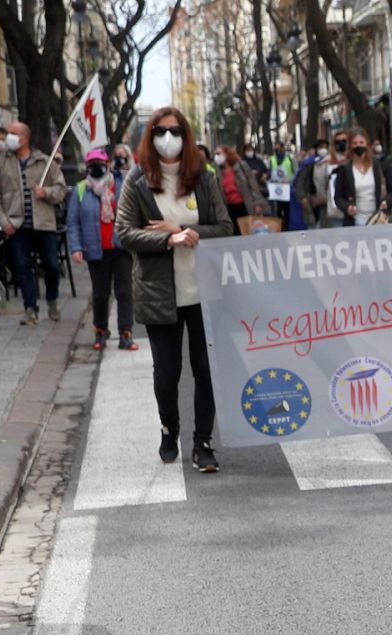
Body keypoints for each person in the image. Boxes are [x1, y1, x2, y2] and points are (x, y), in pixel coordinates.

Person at [114, 106, 233, 473]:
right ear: (150, 137)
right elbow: (125, 233)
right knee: (167, 373)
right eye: (162, 131)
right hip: (158, 292)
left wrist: (189, 231)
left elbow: (226, 227)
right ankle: (170, 429)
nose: (169, 138)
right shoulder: (137, 180)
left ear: (187, 135)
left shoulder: (203, 177)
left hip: (203, 292)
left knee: (205, 370)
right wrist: (168, 237)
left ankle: (203, 442)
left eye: (176, 130)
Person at [0, 120, 67, 325]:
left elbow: (61, 190)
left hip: (44, 223)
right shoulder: (1, 164)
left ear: (25, 137)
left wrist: (46, 192)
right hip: (17, 225)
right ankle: (30, 307)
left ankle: (52, 300)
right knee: (22, 267)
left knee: (51, 264)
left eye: (13, 133)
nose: (8, 137)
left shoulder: (43, 162)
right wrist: (4, 221)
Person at [66, 147, 137, 351]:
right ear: (87, 167)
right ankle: (100, 330)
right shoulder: (81, 189)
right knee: (100, 293)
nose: (96, 167)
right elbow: (73, 222)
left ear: (107, 164)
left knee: (124, 291)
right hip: (95, 249)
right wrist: (76, 248)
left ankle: (126, 332)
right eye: (92, 164)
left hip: (121, 246)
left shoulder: (121, 184)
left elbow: (132, 210)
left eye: (100, 163)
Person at [333, 128, 388, 226]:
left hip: (377, 220)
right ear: (350, 146)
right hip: (355, 222)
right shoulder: (344, 169)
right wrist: (347, 208)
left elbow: (391, 189)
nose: (358, 145)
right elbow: (338, 197)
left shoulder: (377, 165)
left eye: (361, 142)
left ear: (367, 144)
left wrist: (386, 202)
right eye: (355, 143)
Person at [217, 145, 268, 234]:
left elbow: (253, 185)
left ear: (226, 154)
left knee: (248, 232)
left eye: (218, 154)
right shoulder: (218, 172)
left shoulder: (241, 166)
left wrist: (257, 203)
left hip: (245, 206)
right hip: (230, 208)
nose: (216, 157)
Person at [293, 139, 324, 229]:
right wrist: (303, 198)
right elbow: (300, 181)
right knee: (313, 226)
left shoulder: (330, 161)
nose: (324, 149)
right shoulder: (308, 164)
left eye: (326, 147)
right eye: (321, 147)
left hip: (325, 201)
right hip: (311, 199)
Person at [267, 139, 295, 220]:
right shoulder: (271, 159)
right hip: (276, 188)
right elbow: (269, 172)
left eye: (280, 148)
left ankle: (287, 226)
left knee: (287, 210)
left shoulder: (290, 158)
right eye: (276, 149)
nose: (278, 150)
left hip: (288, 188)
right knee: (277, 211)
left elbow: (295, 172)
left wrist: (289, 180)